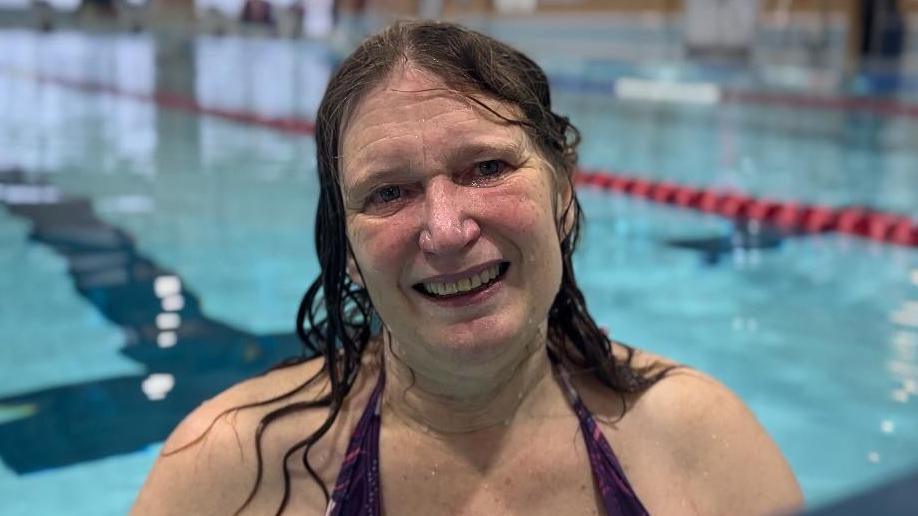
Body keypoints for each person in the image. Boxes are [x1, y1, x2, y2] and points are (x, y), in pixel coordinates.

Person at [133, 20, 803, 515]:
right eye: (388, 192)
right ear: (350, 249)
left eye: (487, 168)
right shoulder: (229, 469)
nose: (446, 230)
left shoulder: (701, 445)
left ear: (562, 194)